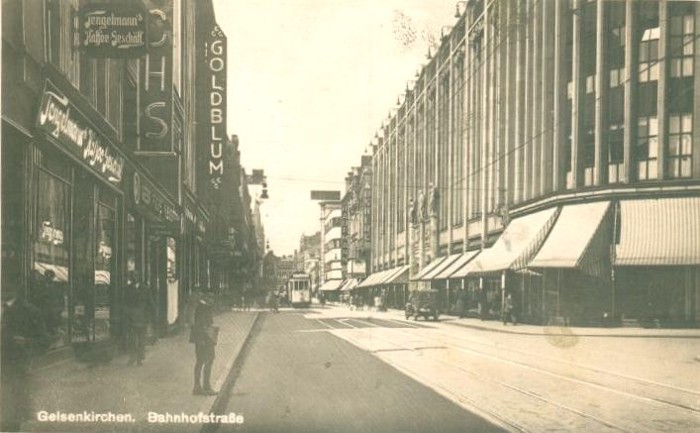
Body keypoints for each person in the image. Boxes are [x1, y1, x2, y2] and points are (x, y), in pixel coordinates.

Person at [1, 286, 49, 432]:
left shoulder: (30, 311)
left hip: (12, 367)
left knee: (9, 417)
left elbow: (44, 340)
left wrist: (27, 342)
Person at [124, 271, 155, 366]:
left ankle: (139, 358)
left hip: (142, 318)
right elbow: (125, 303)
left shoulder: (145, 289)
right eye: (132, 276)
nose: (134, 278)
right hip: (132, 318)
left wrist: (151, 316)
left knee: (141, 340)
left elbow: (150, 303)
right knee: (132, 340)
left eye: (136, 276)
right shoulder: (127, 289)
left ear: (139, 277)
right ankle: (132, 357)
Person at [190, 290, 218, 395]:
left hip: (201, 339)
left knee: (200, 362)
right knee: (208, 361)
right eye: (211, 298)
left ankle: (197, 387)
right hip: (205, 339)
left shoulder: (201, 307)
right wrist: (203, 339)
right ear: (206, 298)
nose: (213, 301)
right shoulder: (203, 308)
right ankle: (206, 387)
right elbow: (201, 325)